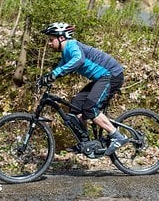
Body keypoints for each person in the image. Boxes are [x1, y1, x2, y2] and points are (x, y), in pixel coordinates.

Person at [39, 22, 128, 155]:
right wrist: (45, 78)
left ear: (61, 38)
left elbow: (79, 59)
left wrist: (55, 74)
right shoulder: (65, 53)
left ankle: (117, 136)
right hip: (101, 78)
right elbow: (59, 69)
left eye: (51, 40)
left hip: (111, 75)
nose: (49, 43)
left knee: (90, 108)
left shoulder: (72, 45)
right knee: (76, 105)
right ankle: (86, 143)